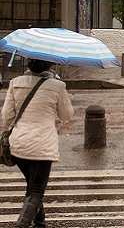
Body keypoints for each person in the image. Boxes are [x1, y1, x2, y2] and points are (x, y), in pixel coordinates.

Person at [2, 59, 74, 228]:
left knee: (32, 186)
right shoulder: (57, 86)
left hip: (18, 145)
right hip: (42, 147)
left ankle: (40, 221)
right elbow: (66, 115)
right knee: (36, 190)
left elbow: (6, 117)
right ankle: (22, 224)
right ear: (49, 65)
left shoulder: (15, 83)